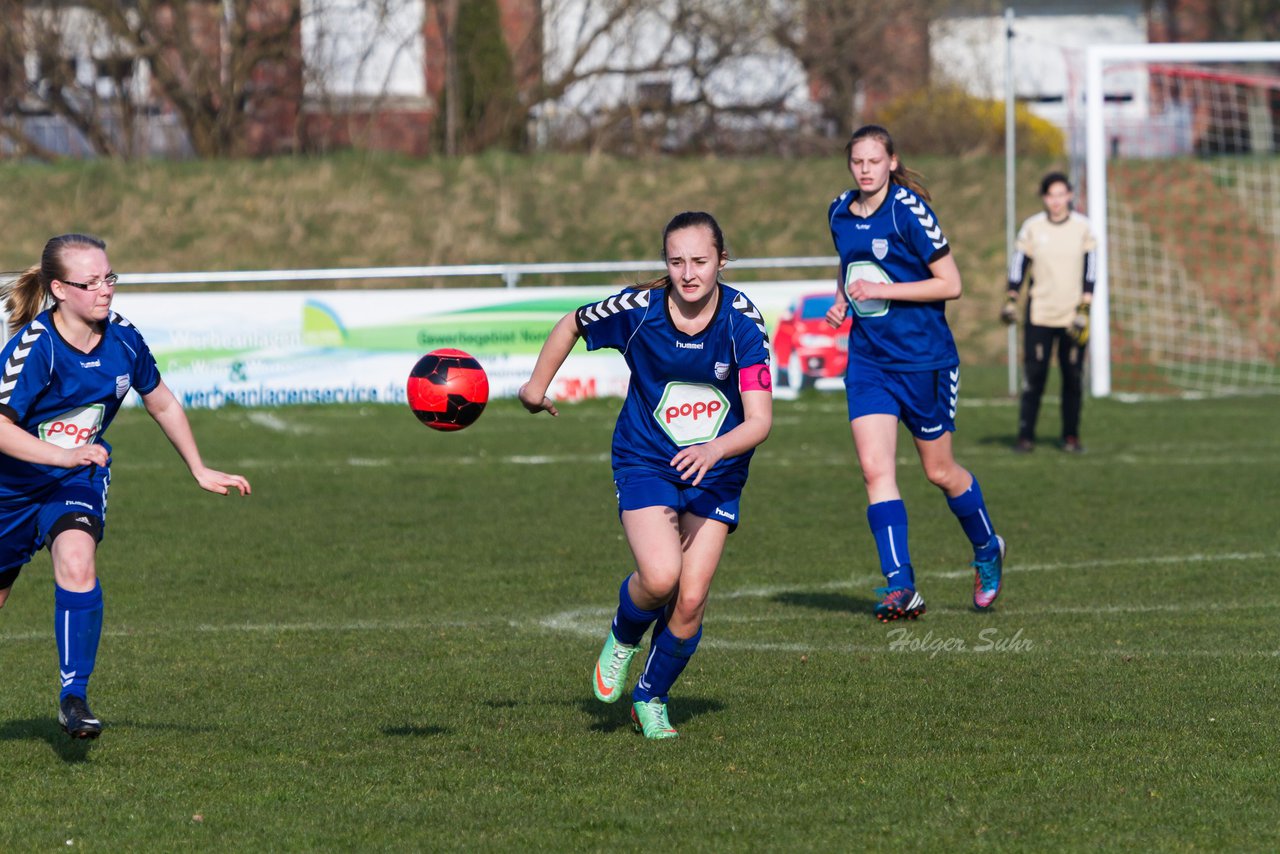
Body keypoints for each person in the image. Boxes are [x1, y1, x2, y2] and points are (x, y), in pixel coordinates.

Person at [518, 211, 772, 740]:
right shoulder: (640, 310)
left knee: (692, 597)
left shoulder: (743, 323)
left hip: (718, 467)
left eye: (701, 261)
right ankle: (622, 636)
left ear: (722, 261)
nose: (688, 273)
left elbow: (761, 420)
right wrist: (535, 387)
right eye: (676, 261)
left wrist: (714, 449)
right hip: (646, 457)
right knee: (660, 577)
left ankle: (650, 698)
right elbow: (573, 322)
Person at [0, 233, 251, 739]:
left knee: (76, 560)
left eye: (109, 277)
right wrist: (63, 453)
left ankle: (74, 697)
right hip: (12, 489)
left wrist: (198, 468)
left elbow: (160, 400)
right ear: (59, 290)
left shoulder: (124, 339)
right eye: (89, 282)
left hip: (77, 478)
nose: (105, 290)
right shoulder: (34, 347)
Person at [824, 124, 1004, 620]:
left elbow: (951, 284)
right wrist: (842, 300)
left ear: (892, 162)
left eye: (873, 161)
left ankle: (987, 548)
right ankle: (901, 585)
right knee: (874, 470)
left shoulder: (909, 211)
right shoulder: (839, 210)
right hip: (869, 362)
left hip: (924, 361)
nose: (864, 170)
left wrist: (883, 292)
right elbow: (848, 262)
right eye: (857, 161)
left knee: (939, 471)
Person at [1002, 171, 1098, 454]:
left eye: (1061, 195)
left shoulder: (1083, 228)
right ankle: (1025, 436)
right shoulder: (1033, 227)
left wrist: (1085, 305)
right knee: (1035, 377)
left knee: (1072, 377)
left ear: (1069, 196)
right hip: (1040, 314)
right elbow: (1019, 264)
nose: (1056, 201)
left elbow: (1091, 267)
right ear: (1044, 198)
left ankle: (1070, 436)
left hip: (1073, 317)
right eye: (1050, 195)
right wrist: (1011, 298)